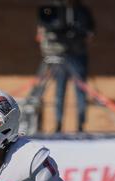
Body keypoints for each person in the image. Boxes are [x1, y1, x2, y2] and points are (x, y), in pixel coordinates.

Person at [35, 0, 95, 132]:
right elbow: (43, 29)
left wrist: (76, 35)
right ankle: (58, 124)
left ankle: (80, 125)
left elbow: (90, 33)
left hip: (77, 54)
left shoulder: (82, 11)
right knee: (59, 91)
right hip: (59, 54)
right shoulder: (53, 9)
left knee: (80, 91)